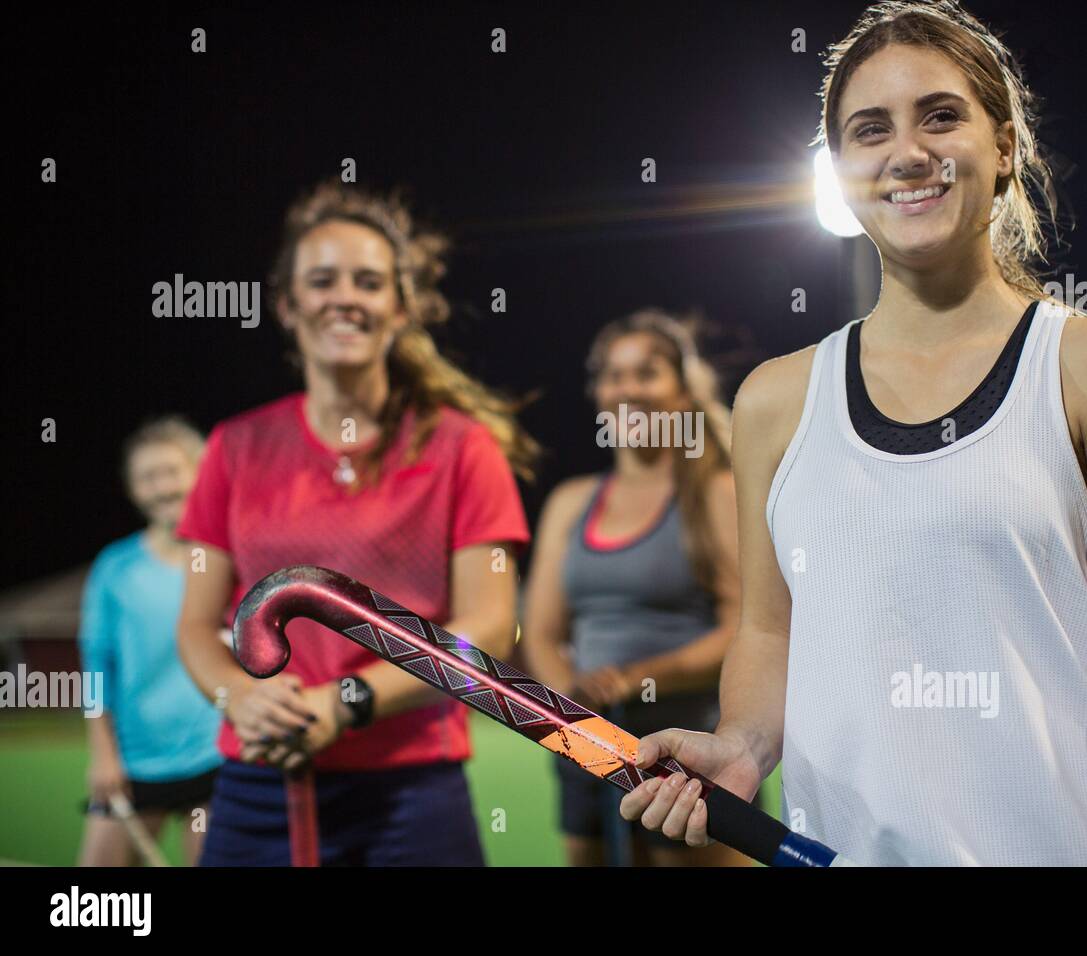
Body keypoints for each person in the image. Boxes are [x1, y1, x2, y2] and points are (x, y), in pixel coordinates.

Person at [621, 0, 1087, 866]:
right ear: (841, 169)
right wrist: (743, 744)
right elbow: (770, 631)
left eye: (941, 116)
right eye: (870, 130)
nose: (908, 152)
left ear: (1004, 147)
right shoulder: (775, 400)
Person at [176, 181, 537, 866]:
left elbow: (486, 629)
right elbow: (196, 625)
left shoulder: (464, 449)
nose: (345, 297)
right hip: (261, 781)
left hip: (411, 793)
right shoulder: (234, 446)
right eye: (322, 280)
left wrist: (347, 702)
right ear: (286, 304)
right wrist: (236, 696)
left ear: (400, 308)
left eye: (369, 282)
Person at [522, 309, 751, 866]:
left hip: (686, 746)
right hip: (584, 744)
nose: (629, 390)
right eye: (613, 375)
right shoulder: (570, 503)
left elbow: (744, 628)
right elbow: (543, 633)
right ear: (598, 392)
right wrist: (570, 718)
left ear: (682, 390)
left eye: (647, 373)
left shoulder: (717, 492)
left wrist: (634, 679)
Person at [78, 416, 223, 866]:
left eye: (171, 472)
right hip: (135, 766)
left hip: (215, 759)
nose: (162, 488)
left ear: (200, 472)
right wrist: (103, 756)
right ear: (132, 488)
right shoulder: (114, 568)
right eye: (147, 477)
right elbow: (95, 668)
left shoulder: (224, 562)